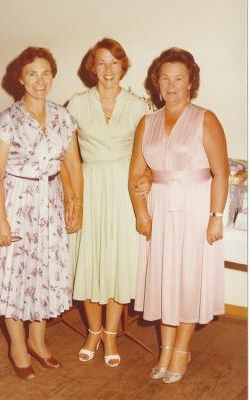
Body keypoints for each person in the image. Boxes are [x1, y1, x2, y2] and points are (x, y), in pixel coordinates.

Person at [129, 47, 229, 383]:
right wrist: (143, 214)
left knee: (187, 278)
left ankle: (181, 350)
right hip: (159, 207)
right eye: (165, 78)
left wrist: (216, 215)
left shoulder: (205, 118)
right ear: (156, 82)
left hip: (195, 207)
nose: (171, 86)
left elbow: (221, 171)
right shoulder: (148, 121)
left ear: (190, 83)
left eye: (179, 79)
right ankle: (165, 349)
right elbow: (137, 174)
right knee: (163, 279)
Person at [0, 47, 83, 380]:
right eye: (32, 73)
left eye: (45, 73)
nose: (39, 80)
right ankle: (17, 346)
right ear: (20, 79)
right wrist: (1, 220)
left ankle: (38, 342)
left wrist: (75, 203)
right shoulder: (7, 120)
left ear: (53, 76)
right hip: (17, 204)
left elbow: (73, 164)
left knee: (45, 273)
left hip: (51, 203)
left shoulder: (62, 116)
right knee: (16, 275)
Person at [67, 38, 150, 367]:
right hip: (88, 185)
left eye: (114, 62)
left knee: (117, 262)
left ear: (123, 66)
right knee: (88, 259)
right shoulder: (76, 104)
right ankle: (93, 330)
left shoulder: (138, 106)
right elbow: (66, 157)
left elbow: (148, 155)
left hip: (122, 190)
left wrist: (150, 180)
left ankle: (111, 335)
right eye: (101, 63)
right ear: (92, 68)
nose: (108, 69)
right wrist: (72, 198)